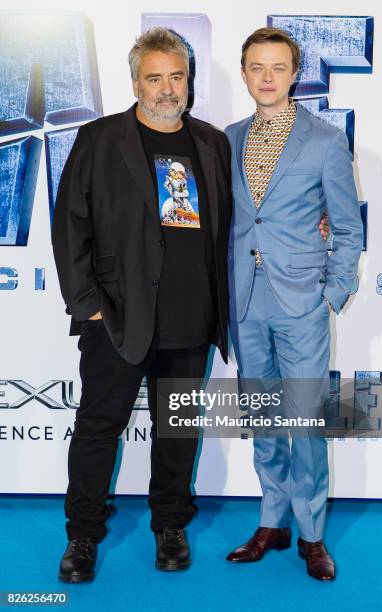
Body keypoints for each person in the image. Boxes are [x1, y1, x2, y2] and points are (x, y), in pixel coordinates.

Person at [52, 27, 231, 581]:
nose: (166, 88)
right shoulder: (100, 139)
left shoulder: (210, 142)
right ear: (135, 82)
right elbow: (70, 226)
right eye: (155, 77)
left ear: (188, 81)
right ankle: (82, 535)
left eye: (176, 76)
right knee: (98, 427)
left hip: (189, 316)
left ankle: (170, 525)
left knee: (176, 429)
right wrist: (90, 305)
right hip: (119, 318)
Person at [225, 27, 363, 581]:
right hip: (244, 300)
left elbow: (348, 229)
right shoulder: (226, 139)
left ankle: (311, 533)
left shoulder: (326, 141)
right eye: (256, 67)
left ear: (294, 72)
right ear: (243, 73)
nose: (266, 77)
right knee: (263, 420)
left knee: (304, 422)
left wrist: (331, 293)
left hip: (301, 301)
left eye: (277, 67)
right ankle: (271, 520)